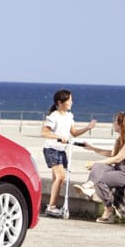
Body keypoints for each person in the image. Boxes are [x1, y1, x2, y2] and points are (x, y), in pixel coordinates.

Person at [74, 111, 125, 223]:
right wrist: (92, 148)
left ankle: (108, 209)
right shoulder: (120, 139)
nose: (113, 124)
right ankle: (88, 185)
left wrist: (95, 163)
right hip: (120, 171)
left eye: (115, 121)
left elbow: (118, 158)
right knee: (99, 167)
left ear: (121, 124)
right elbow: (112, 154)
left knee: (99, 176)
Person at [41, 89, 96, 218]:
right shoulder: (54, 116)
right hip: (51, 149)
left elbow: (74, 133)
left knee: (57, 179)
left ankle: (51, 207)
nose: (72, 102)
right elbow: (44, 132)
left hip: (61, 150)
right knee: (61, 177)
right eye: (69, 100)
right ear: (60, 103)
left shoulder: (69, 116)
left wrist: (88, 127)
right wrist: (59, 137)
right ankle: (51, 207)